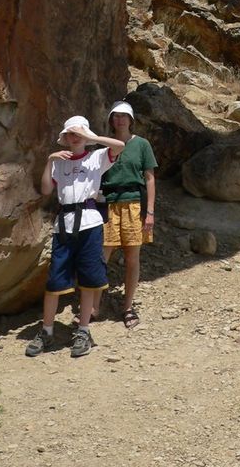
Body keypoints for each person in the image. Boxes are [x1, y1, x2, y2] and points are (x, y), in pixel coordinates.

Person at [25, 115, 125, 358]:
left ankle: (83, 330)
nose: (74, 137)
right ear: (65, 138)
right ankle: (47, 330)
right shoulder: (59, 161)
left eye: (77, 133)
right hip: (65, 225)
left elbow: (120, 146)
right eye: (70, 133)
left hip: (90, 222)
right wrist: (49, 161)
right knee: (54, 281)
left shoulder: (97, 157)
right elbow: (47, 189)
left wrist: (91, 137)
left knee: (90, 279)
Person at [93, 100, 157, 329]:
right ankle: (94, 307)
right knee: (101, 257)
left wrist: (149, 212)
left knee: (132, 258)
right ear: (111, 120)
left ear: (131, 120)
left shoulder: (141, 145)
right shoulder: (104, 146)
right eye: (115, 116)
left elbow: (149, 178)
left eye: (124, 116)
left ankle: (127, 307)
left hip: (133, 205)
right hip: (108, 205)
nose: (119, 119)